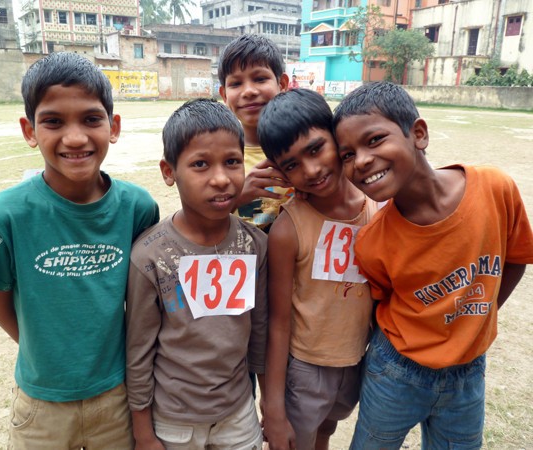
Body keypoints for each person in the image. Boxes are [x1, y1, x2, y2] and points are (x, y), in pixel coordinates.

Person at [0, 52, 159, 449]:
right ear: (29, 130)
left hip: (118, 397)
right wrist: (49, 355)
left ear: (113, 127)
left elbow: (144, 300)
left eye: (91, 119)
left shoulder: (138, 208)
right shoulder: (0, 216)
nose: (75, 138)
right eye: (53, 121)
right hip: (41, 405)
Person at [332, 81, 533, 449]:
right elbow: (382, 302)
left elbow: (516, 258)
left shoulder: (495, 189)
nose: (360, 161)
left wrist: (479, 314)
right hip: (395, 371)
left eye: (374, 140)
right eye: (347, 155)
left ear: (419, 134)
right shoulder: (372, 241)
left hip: (468, 373)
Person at [125, 98, 268, 449]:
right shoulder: (150, 255)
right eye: (200, 164)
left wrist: (270, 403)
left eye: (232, 162)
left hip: (238, 414)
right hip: (173, 422)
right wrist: (143, 432)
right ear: (169, 172)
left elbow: (260, 330)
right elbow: (138, 350)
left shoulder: (256, 245)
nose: (221, 179)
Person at [257, 88, 378, 450]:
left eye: (315, 149)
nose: (311, 170)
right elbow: (278, 322)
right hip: (305, 369)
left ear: (336, 137)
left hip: (357, 360)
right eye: (292, 165)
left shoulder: (377, 208)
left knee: (326, 431)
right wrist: (272, 407)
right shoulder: (287, 230)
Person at [218, 33, 294, 233]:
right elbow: (199, 220)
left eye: (260, 79)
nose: (249, 91)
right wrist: (238, 197)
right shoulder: (216, 157)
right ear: (224, 95)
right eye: (236, 84)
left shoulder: (304, 147)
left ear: (282, 84)